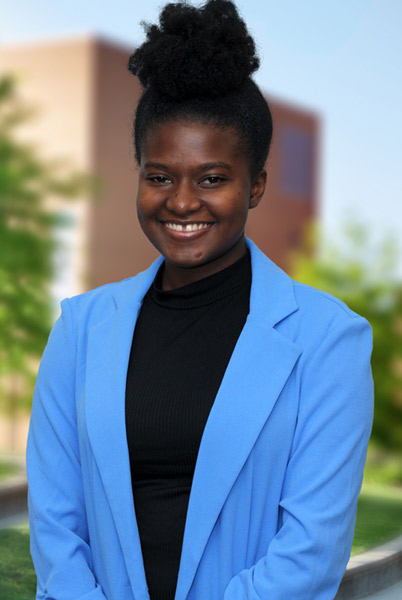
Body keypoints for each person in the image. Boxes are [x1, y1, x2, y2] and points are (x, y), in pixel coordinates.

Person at [26, 1, 374, 599]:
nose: (181, 202)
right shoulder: (80, 330)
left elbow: (310, 553)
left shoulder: (328, 340)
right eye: (159, 176)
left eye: (212, 178)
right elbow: (55, 527)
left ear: (256, 184)